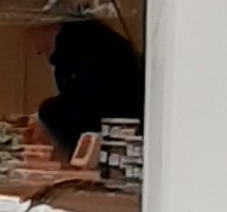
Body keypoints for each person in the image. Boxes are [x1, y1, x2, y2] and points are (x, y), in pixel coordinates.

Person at [37, 16, 146, 158]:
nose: (36, 47)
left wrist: (47, 114)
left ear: (51, 26)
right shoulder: (94, 42)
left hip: (113, 139)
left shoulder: (82, 50)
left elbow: (84, 108)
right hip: (121, 134)